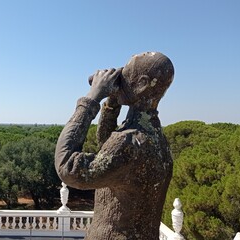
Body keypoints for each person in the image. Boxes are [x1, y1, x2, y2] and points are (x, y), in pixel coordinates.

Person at [55, 52, 175, 239]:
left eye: (126, 73)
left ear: (142, 84)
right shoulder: (155, 137)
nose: (122, 77)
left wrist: (91, 98)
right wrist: (112, 101)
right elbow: (107, 145)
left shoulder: (130, 143)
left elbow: (68, 167)